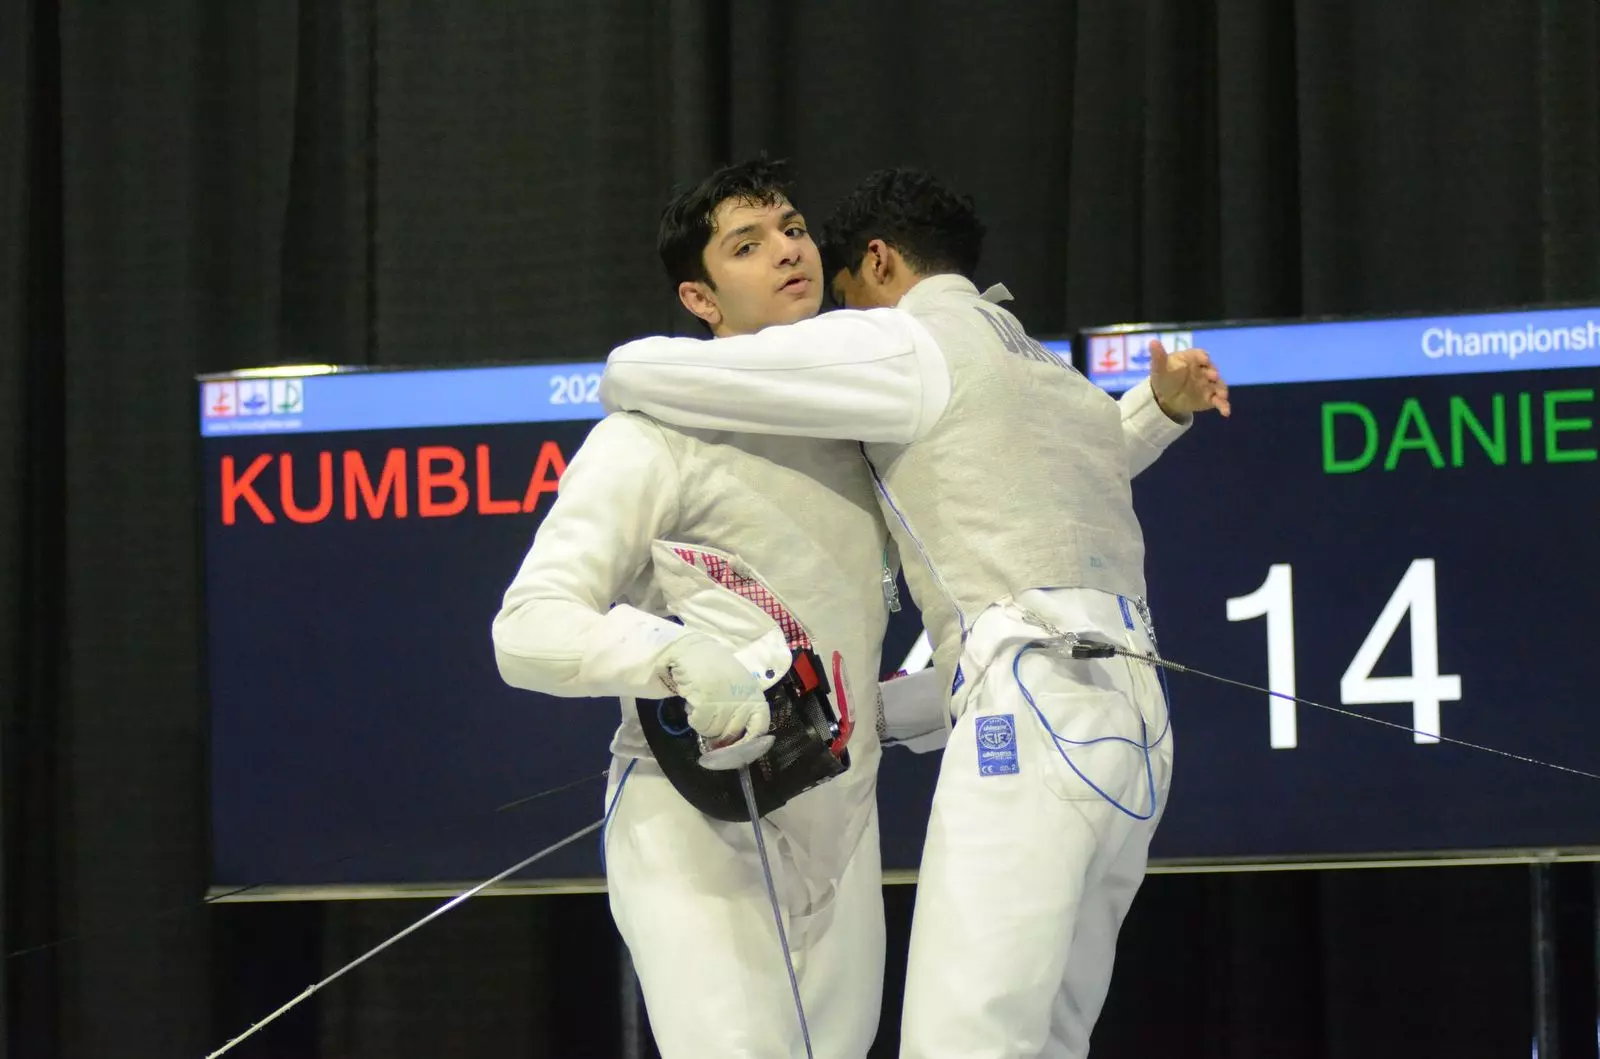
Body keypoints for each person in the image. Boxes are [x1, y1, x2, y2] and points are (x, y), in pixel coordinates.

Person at [599, 167, 1230, 1058]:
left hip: (1033, 712)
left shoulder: (898, 347)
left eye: (843, 285)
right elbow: (1046, 480)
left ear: (880, 263)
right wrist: (1159, 412)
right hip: (1138, 730)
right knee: (1048, 1042)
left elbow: (632, 367)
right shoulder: (1034, 361)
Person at [492, 159, 898, 1058]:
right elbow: (525, 626)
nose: (787, 251)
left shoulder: (864, 431)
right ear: (701, 298)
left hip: (842, 821)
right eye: (745, 245)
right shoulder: (649, 435)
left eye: (792, 228)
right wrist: (675, 657)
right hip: (694, 817)